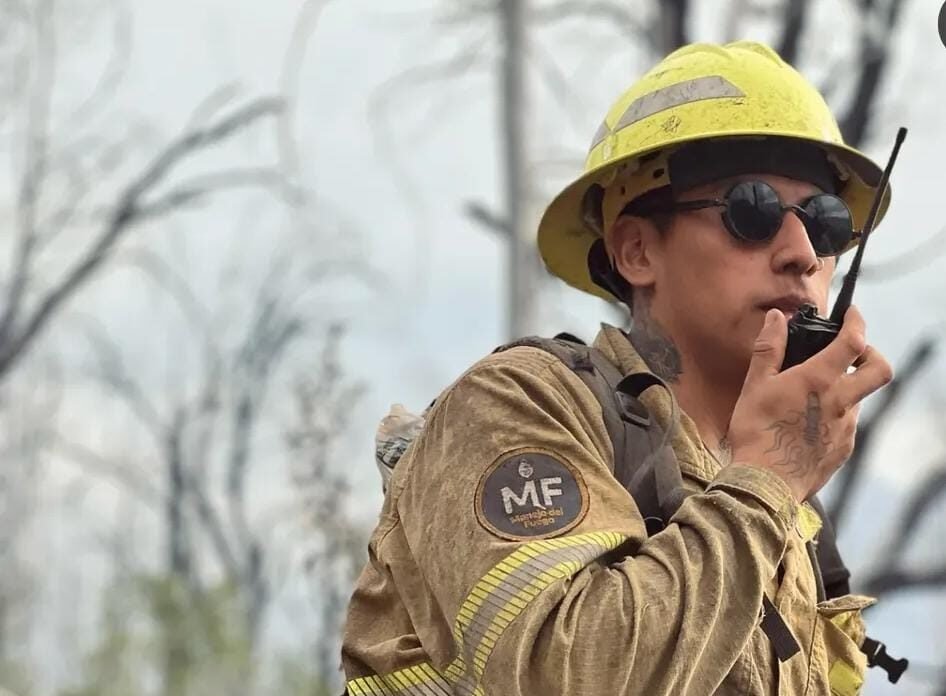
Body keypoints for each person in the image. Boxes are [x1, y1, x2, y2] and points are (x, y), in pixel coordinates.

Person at [341, 41, 896, 696]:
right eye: (752, 211)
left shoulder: (787, 510)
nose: (802, 253)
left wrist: (766, 486)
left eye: (825, 224)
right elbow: (570, 674)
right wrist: (766, 483)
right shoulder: (516, 405)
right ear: (636, 250)